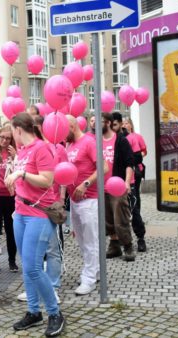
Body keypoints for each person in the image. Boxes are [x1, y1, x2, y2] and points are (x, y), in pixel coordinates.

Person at [4, 113, 65, 336]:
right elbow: (25, 181)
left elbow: (47, 180)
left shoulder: (42, 148)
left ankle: (55, 312)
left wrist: (22, 173)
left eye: (12, 130)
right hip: (20, 212)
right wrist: (14, 181)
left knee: (33, 267)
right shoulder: (22, 151)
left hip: (39, 214)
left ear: (19, 129)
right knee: (26, 265)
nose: (11, 135)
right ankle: (33, 311)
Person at [65, 115, 101, 296]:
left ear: (72, 126)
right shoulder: (70, 145)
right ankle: (95, 269)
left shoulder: (89, 142)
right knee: (82, 240)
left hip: (89, 199)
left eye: (64, 131)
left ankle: (89, 279)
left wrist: (85, 183)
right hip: (74, 200)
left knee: (90, 240)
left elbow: (103, 167)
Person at [102, 113, 136, 262]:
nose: (95, 125)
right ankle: (114, 244)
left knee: (120, 217)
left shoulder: (120, 140)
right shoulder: (95, 141)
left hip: (117, 186)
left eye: (100, 121)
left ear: (108, 123)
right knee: (108, 219)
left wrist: (127, 182)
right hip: (101, 187)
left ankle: (128, 245)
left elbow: (130, 163)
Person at [0, 126, 18, 273]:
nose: (5, 141)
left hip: (10, 196)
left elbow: (20, 170)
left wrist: (15, 157)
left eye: (8, 138)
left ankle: (12, 260)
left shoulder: (13, 152)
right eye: (2, 137)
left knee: (11, 229)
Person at [123, 117, 147, 252]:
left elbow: (142, 152)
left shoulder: (136, 137)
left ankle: (140, 236)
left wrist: (130, 157)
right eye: (124, 123)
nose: (125, 125)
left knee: (134, 197)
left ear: (131, 125)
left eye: (127, 123)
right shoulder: (119, 137)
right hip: (121, 176)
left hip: (135, 171)